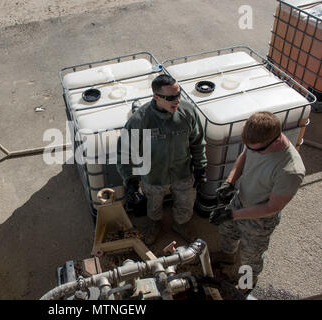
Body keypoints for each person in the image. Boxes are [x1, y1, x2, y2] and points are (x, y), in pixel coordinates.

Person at [210, 111, 305, 293]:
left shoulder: (290, 170)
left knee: (250, 256)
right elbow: (245, 156)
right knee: (227, 232)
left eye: (257, 149)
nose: (252, 151)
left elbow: (272, 207)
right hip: (240, 199)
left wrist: (232, 214)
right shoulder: (258, 140)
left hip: (261, 218)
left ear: (276, 139)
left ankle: (245, 285)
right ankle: (228, 256)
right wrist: (229, 182)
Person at [117, 74, 207, 245]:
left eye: (179, 94)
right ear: (156, 97)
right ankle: (155, 225)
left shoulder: (187, 112)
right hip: (153, 176)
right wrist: (130, 180)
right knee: (154, 206)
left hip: (183, 172)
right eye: (171, 97)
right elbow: (124, 152)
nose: (177, 100)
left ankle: (181, 225)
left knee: (186, 203)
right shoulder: (140, 120)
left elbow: (197, 141)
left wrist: (201, 166)